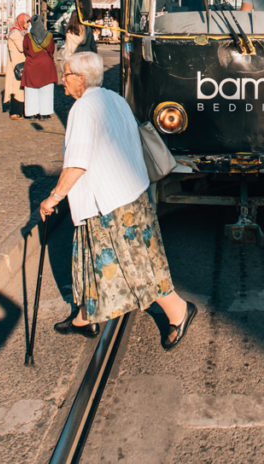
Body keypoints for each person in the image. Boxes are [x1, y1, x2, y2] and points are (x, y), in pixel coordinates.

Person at [39, 51, 196, 350]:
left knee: (134, 265)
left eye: (66, 75)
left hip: (111, 204)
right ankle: (85, 317)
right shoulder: (114, 98)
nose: (62, 82)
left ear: (80, 78)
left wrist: (53, 198)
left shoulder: (83, 109)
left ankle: (178, 310)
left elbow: (77, 163)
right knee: (96, 261)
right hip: (131, 194)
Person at [22, 14, 58, 119]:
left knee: (31, 91)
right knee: (46, 90)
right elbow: (51, 50)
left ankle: (32, 112)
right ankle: (45, 112)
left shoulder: (27, 37)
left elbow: (25, 50)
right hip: (47, 66)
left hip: (32, 65)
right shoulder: (49, 36)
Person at [3, 13, 30, 119]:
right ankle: (14, 112)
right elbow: (21, 47)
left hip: (20, 63)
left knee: (20, 88)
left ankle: (20, 111)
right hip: (16, 65)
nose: (28, 25)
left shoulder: (20, 32)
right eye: (27, 22)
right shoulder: (15, 33)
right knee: (16, 88)